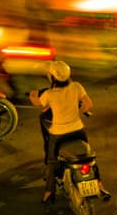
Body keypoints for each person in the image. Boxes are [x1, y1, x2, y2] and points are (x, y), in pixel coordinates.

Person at [29, 60, 92, 203]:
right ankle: (99, 184)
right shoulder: (76, 87)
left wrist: (32, 95)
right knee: (89, 157)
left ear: (52, 77)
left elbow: (38, 103)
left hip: (58, 134)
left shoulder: (50, 94)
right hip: (78, 130)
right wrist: (77, 112)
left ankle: (49, 192)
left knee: (52, 161)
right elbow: (88, 105)